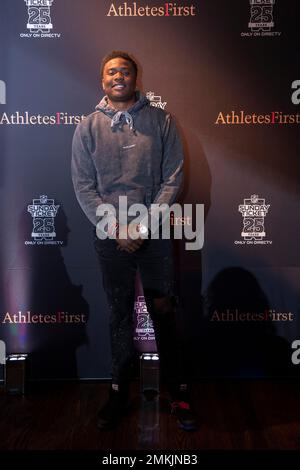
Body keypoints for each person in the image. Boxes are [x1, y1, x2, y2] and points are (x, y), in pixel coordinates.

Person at [71, 51, 197, 431]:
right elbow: (83, 186)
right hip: (110, 237)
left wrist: (141, 227)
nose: (118, 76)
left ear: (135, 77)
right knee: (119, 315)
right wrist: (115, 229)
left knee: (163, 312)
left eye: (125, 71)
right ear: (102, 81)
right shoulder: (86, 127)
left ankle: (178, 394)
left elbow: (172, 179)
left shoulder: (161, 120)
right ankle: (116, 394)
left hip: (154, 234)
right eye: (111, 72)